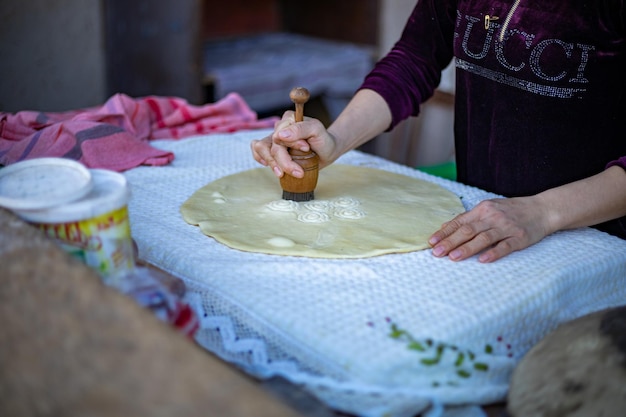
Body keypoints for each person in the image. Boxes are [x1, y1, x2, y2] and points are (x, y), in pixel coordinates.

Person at [251, 0, 626, 263]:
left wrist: (543, 212)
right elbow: (415, 57)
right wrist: (335, 140)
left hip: (595, 240)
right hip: (480, 218)